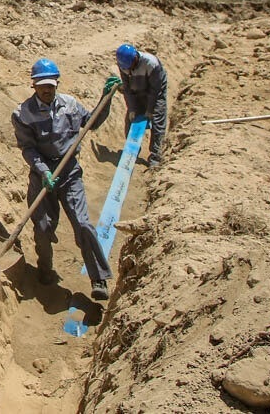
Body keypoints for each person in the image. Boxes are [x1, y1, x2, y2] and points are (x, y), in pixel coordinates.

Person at [11, 58, 119, 300]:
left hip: (69, 172)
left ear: (56, 83)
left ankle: (98, 278)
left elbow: (92, 122)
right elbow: (28, 148)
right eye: (41, 86)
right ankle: (45, 269)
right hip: (43, 176)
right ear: (34, 85)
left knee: (83, 224)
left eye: (50, 85)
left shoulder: (70, 105)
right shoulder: (23, 113)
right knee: (43, 227)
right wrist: (43, 171)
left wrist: (106, 100)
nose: (46, 90)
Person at [115, 43, 169, 168]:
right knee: (131, 118)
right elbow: (127, 87)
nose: (128, 69)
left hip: (156, 90)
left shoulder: (151, 64)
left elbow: (154, 91)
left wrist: (149, 110)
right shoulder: (124, 64)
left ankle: (156, 156)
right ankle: (132, 151)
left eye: (131, 66)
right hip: (137, 86)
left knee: (157, 120)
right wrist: (132, 108)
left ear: (135, 58)